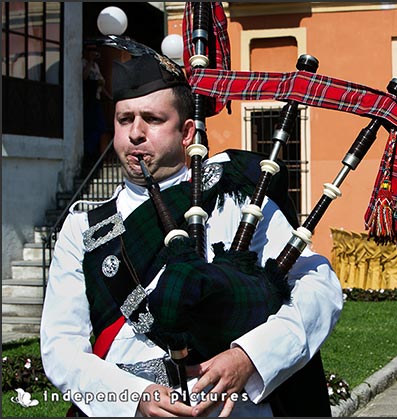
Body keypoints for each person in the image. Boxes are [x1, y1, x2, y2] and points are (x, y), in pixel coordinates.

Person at [40, 49, 343, 416]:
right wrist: (132, 396)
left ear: (186, 132)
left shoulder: (234, 198)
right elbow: (61, 345)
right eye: (124, 119)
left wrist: (251, 357)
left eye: (152, 119)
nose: (135, 133)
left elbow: (318, 286)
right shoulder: (83, 227)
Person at [82, 43, 112, 173]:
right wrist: (89, 62)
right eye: (90, 50)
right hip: (89, 100)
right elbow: (83, 78)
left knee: (101, 129)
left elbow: (101, 83)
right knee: (92, 128)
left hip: (97, 98)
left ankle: (102, 158)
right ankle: (91, 156)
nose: (93, 53)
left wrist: (109, 96)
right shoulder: (84, 63)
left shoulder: (96, 66)